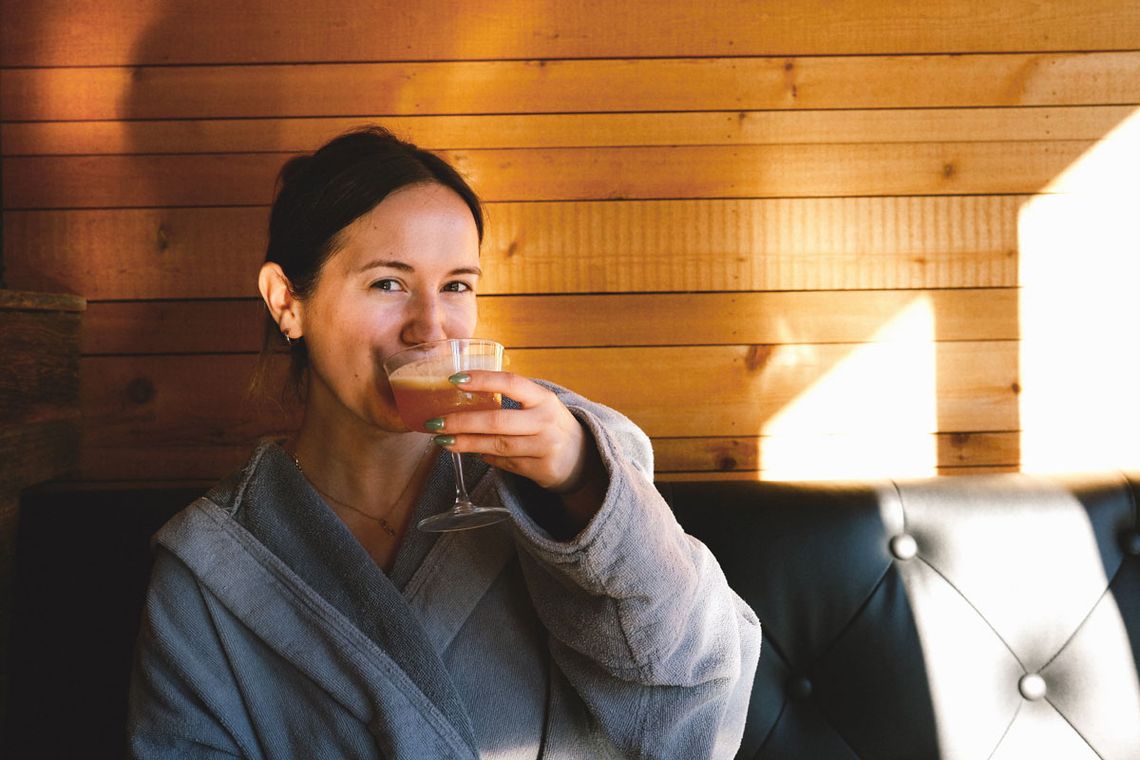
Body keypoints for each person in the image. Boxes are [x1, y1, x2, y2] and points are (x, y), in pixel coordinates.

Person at [127, 126, 762, 759]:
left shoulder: (576, 468)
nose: (430, 328)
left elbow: (689, 700)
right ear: (287, 300)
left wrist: (580, 488)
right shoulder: (212, 563)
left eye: (456, 285)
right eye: (388, 283)